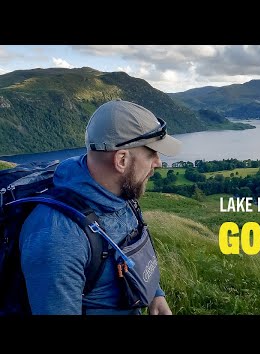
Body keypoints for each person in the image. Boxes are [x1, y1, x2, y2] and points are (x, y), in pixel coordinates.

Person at [19, 99, 182, 315]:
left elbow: (127, 248)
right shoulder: (58, 238)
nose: (159, 163)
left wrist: (155, 295)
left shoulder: (118, 191)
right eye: (152, 153)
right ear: (121, 160)